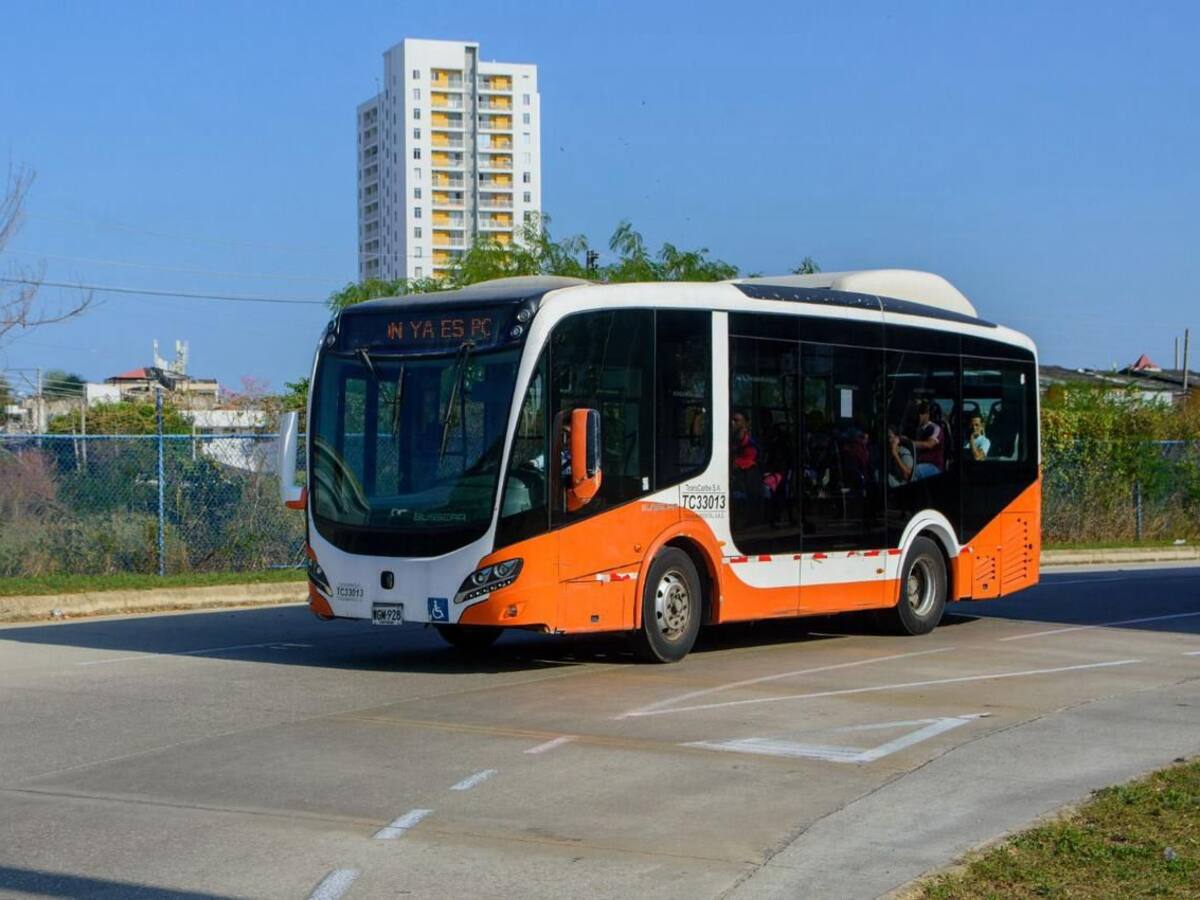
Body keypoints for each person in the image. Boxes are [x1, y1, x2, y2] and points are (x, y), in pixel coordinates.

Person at [910, 399, 945, 474]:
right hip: (918, 462)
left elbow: (929, 444)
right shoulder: (916, 428)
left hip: (934, 466)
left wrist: (909, 442)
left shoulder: (935, 428)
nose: (918, 415)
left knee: (911, 472)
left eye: (921, 412)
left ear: (928, 414)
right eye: (917, 412)